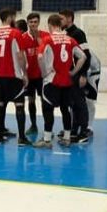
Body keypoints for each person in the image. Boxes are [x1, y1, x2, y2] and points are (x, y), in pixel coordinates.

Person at [33, 14, 86, 148]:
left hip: (52, 80)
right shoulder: (69, 39)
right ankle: (67, 138)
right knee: (65, 109)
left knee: (48, 109)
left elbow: (40, 57)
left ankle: (47, 140)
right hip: (67, 81)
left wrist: (44, 72)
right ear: (60, 25)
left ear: (50, 25)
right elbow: (83, 57)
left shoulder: (48, 39)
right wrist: (73, 72)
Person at [0, 8, 30, 146]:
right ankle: (22, 138)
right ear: (10, 17)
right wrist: (24, 73)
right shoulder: (16, 33)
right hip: (13, 75)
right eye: (14, 17)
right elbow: (20, 56)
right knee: (19, 105)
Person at [59, 9, 92, 143]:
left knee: (80, 102)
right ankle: (74, 129)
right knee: (72, 103)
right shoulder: (66, 34)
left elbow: (86, 55)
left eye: (61, 19)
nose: (60, 21)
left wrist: (83, 74)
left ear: (69, 18)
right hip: (71, 74)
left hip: (78, 74)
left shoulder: (78, 33)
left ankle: (83, 131)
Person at [19, 13, 51, 137]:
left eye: (35, 22)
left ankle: (47, 129)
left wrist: (38, 39)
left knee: (45, 101)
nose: (33, 24)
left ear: (38, 23)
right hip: (29, 76)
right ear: (27, 23)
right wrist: (23, 74)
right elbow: (20, 56)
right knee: (31, 101)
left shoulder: (45, 36)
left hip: (43, 75)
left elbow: (49, 52)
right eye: (31, 22)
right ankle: (33, 125)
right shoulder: (22, 37)